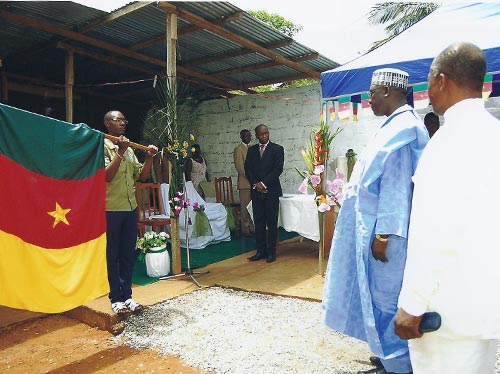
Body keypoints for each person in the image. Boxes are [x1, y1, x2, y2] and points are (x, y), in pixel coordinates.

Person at [394, 42, 500, 373]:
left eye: (427, 83)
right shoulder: (494, 133)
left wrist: (411, 304)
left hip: (447, 313)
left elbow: (432, 236)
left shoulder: (446, 144)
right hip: (485, 307)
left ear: (441, 81)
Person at [322, 68, 429, 374]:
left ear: (387, 92)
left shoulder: (404, 128)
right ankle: (386, 352)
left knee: (386, 298)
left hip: (388, 235)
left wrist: (384, 235)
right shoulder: (392, 125)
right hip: (375, 229)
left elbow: (396, 187)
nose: (368, 100)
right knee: (377, 294)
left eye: (371, 93)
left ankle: (398, 364)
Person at [103, 110, 157, 315]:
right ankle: (115, 298)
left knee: (128, 253)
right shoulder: (103, 145)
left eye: (125, 120)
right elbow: (106, 176)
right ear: (108, 124)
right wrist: (120, 152)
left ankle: (127, 296)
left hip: (130, 208)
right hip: (111, 209)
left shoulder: (131, 148)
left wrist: (149, 158)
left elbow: (141, 176)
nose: (123, 123)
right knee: (113, 254)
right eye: (118, 120)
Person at [244, 124, 284, 263]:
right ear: (257, 136)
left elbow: (278, 169)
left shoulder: (277, 149)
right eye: (261, 134)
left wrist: (264, 183)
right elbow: (247, 169)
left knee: (271, 222)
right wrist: (256, 184)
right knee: (259, 222)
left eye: (266, 133)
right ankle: (260, 251)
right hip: (256, 192)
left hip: (271, 191)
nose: (264, 136)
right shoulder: (252, 150)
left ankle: (271, 252)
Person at [233, 129, 255, 236]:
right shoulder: (238, 149)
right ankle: (244, 228)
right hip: (244, 183)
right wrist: (250, 177)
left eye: (249, 136)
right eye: (246, 136)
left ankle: (251, 226)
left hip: (254, 183)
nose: (248, 137)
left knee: (252, 206)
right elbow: (240, 167)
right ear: (241, 137)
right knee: (244, 207)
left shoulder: (252, 148)